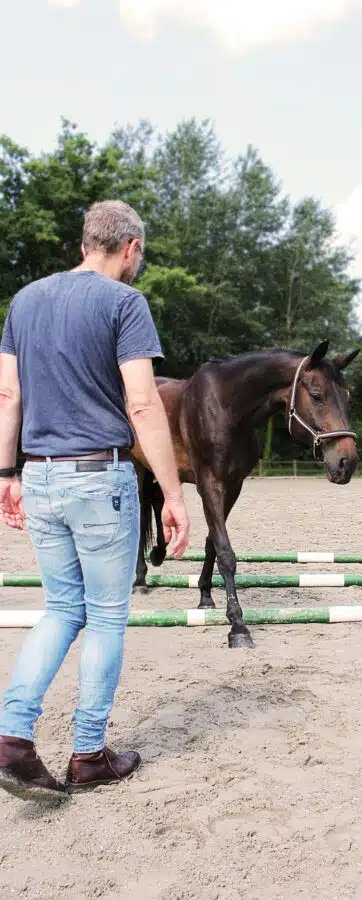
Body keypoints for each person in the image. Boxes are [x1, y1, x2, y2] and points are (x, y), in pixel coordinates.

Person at [0, 200, 190, 802]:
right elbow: (143, 403)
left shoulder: (25, 301)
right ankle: (88, 754)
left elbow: (7, 394)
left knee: (60, 609)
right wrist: (172, 491)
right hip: (98, 477)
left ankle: (12, 738)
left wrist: (5, 473)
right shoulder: (125, 303)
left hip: (40, 476)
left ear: (86, 242)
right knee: (106, 616)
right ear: (130, 247)